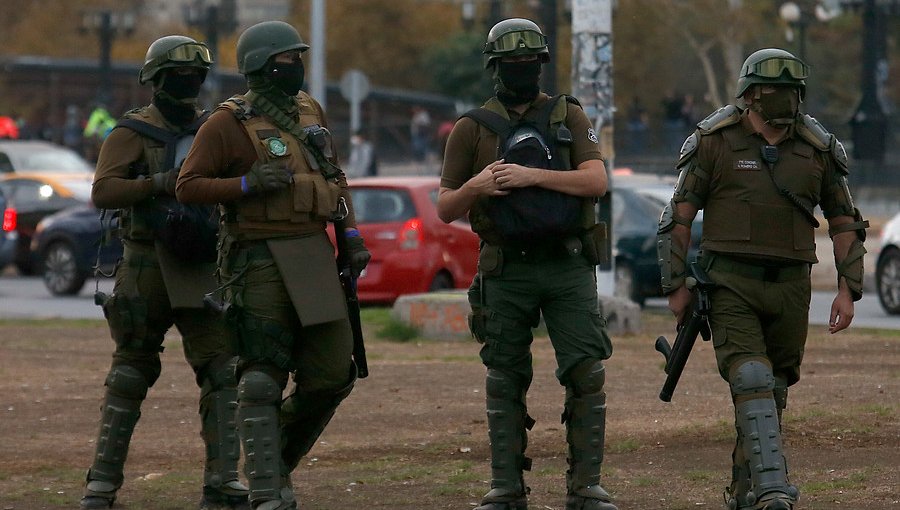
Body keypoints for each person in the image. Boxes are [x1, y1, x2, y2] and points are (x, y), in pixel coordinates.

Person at [657, 48, 868, 510]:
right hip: (730, 281)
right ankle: (774, 489)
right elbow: (677, 217)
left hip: (792, 285)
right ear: (751, 94)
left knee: (770, 392)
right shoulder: (714, 141)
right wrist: (675, 286)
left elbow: (845, 221)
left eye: (794, 92)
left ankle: (744, 492)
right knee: (750, 376)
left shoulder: (818, 149)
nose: (786, 100)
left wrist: (848, 289)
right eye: (776, 91)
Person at [176, 21, 370, 510]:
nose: (297, 67)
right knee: (261, 377)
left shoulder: (310, 111)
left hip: (313, 252)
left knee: (333, 372)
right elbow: (188, 185)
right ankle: (268, 491)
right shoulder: (226, 123)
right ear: (264, 67)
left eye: (298, 58)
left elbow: (334, 175)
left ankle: (274, 456)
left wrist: (350, 234)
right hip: (256, 258)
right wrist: (245, 185)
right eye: (288, 59)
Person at [437, 18, 618, 510]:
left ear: (542, 65)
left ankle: (585, 487)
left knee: (586, 372)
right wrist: (480, 185)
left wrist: (531, 176)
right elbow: (446, 207)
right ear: (495, 68)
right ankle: (506, 486)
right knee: (504, 375)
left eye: (531, 63)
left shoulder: (568, 116)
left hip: (567, 264)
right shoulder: (471, 128)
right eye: (513, 64)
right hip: (505, 268)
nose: (523, 71)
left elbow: (596, 182)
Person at [81, 36, 249, 510]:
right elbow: (104, 191)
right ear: (155, 80)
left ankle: (222, 482)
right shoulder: (132, 131)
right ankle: (102, 484)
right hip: (146, 264)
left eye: (196, 75)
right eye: (179, 75)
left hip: (201, 265)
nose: (189, 83)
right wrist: (158, 183)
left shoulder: (212, 126)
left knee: (223, 374)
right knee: (130, 373)